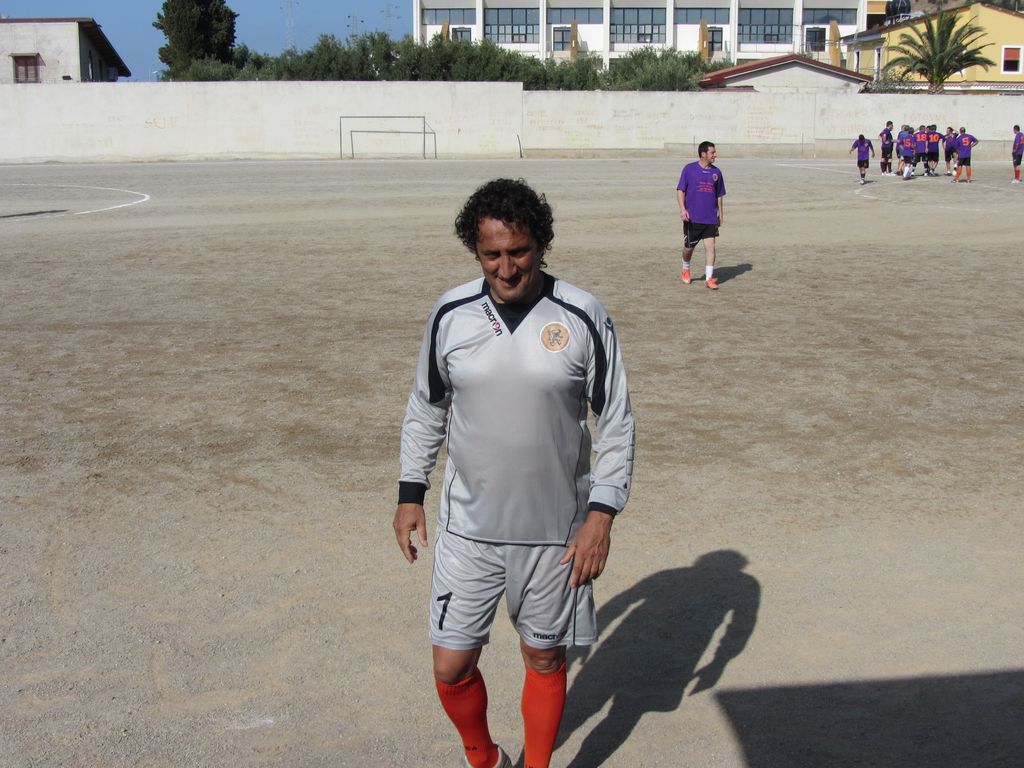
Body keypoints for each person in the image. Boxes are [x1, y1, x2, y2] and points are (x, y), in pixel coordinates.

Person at [393, 177, 635, 768]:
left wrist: (601, 517)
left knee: (544, 659)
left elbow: (616, 420)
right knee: (451, 665)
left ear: (541, 244)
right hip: (468, 529)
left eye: (519, 251)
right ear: (476, 252)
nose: (506, 268)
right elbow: (427, 406)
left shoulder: (581, 313)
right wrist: (410, 491)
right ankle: (486, 760)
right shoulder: (452, 313)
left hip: (555, 533)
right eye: (492, 254)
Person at [677, 140, 727, 289]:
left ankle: (709, 279)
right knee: (688, 248)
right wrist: (682, 209)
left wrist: (721, 214)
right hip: (692, 218)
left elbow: (719, 195)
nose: (715, 155)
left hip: (710, 217)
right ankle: (686, 268)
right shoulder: (689, 169)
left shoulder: (716, 172)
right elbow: (680, 190)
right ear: (703, 154)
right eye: (712, 152)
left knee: (711, 246)